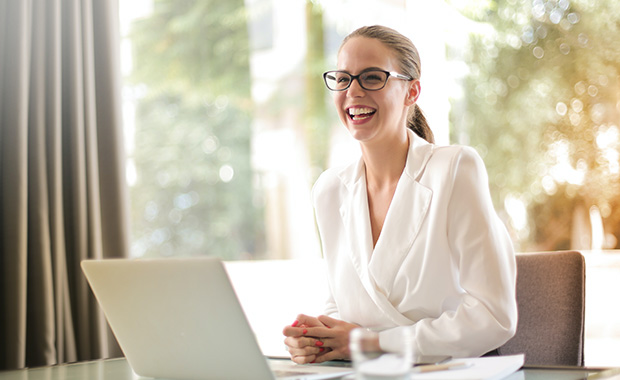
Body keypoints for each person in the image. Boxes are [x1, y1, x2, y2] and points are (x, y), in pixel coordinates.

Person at [282, 25, 518, 364]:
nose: (353, 91)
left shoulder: (454, 169)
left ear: (412, 91)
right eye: (343, 78)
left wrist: (372, 343)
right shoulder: (329, 190)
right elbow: (341, 302)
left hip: (445, 370)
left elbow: (494, 316)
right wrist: (318, 338)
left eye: (372, 77)